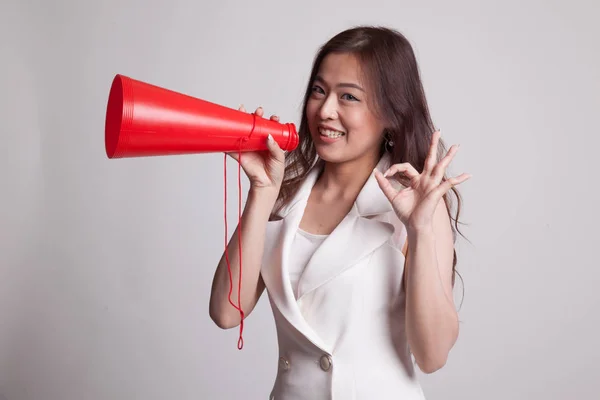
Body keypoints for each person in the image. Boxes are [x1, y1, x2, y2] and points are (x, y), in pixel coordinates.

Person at [209, 25, 471, 400]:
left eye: (348, 97)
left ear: (391, 114)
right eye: (319, 90)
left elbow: (432, 355)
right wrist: (262, 191)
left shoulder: (415, 206)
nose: (325, 110)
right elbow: (226, 312)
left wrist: (420, 230)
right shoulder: (283, 195)